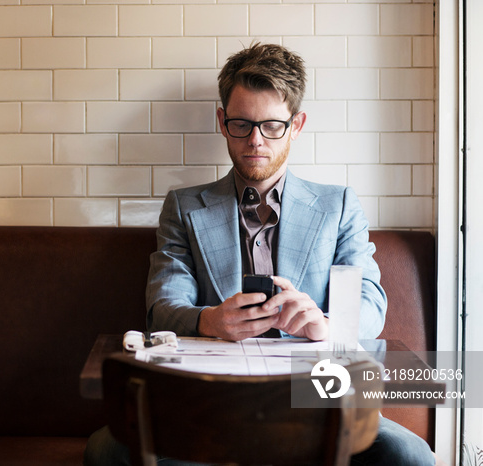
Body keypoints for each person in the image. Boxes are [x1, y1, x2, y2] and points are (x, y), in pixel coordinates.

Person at [85, 42, 437, 466]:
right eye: (241, 124)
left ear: (297, 124)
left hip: (317, 394)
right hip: (210, 396)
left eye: (272, 125)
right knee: (107, 452)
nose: (255, 141)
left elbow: (371, 304)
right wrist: (209, 320)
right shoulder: (183, 207)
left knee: (410, 456)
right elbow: (162, 308)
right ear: (222, 122)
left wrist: (324, 324)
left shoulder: (338, 205)